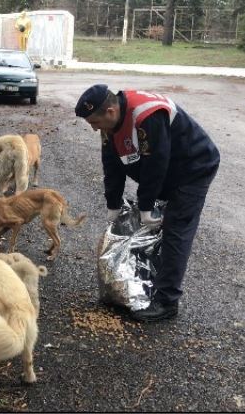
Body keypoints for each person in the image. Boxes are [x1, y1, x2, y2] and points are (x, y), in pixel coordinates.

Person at [75, 85, 220, 322]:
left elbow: (156, 164)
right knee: (152, 229)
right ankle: (147, 283)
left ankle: (167, 302)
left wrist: (146, 206)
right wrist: (113, 204)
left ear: (110, 111)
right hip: (168, 169)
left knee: (176, 229)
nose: (94, 128)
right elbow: (111, 164)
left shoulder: (147, 115)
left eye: (95, 122)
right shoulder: (109, 126)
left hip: (193, 167)